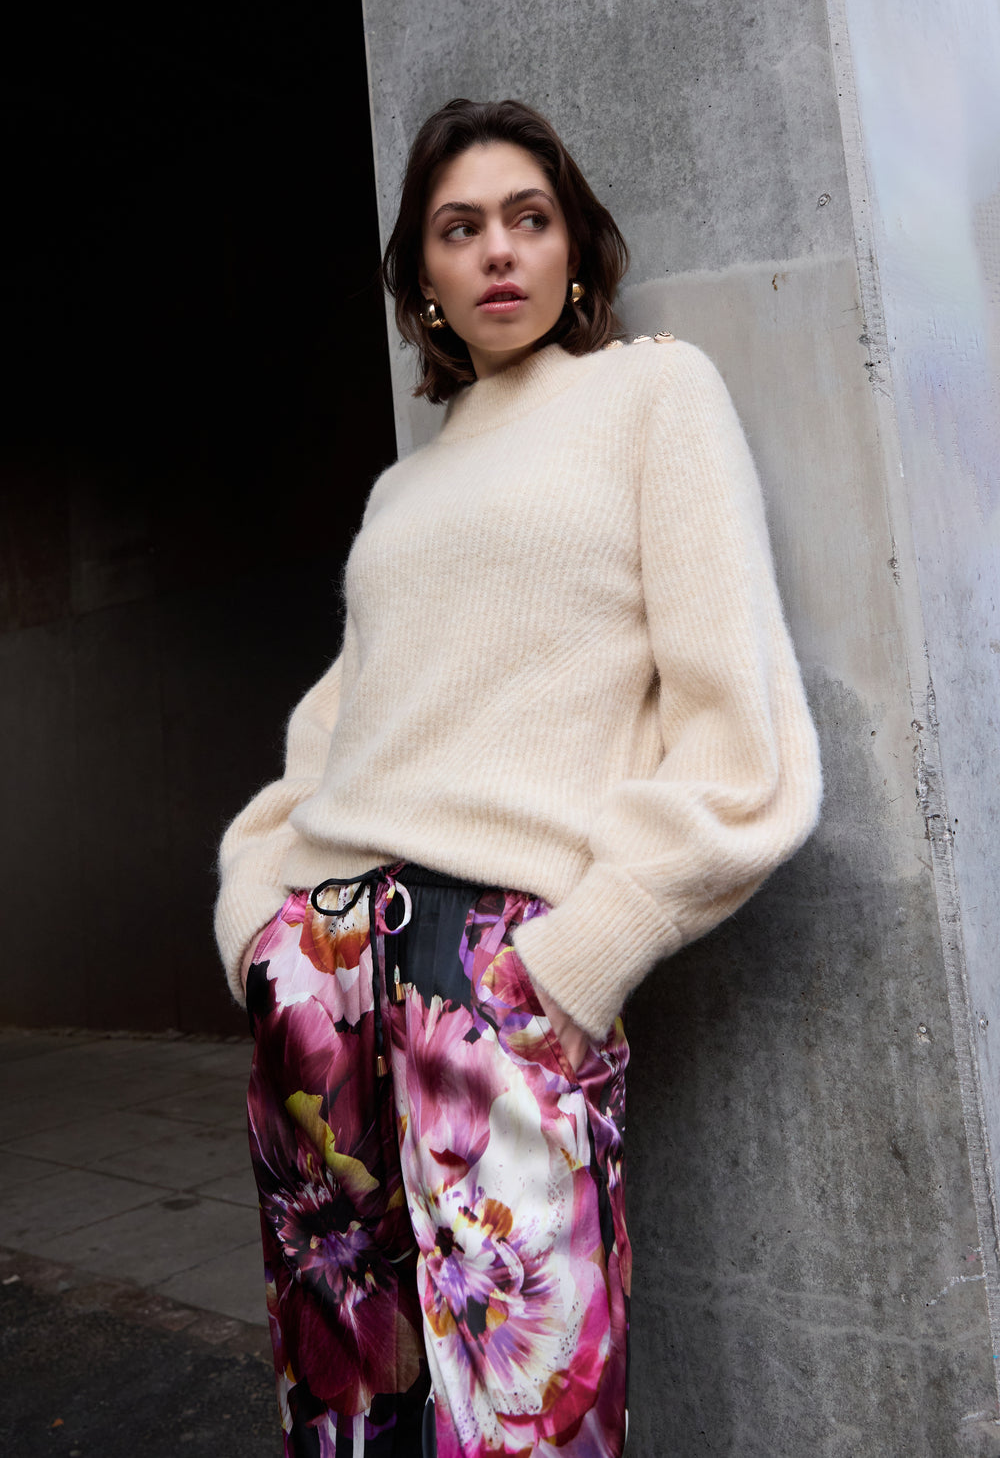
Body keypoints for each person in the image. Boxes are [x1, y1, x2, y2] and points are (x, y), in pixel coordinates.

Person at [215, 97, 822, 1458]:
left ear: (573, 247)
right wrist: (261, 921)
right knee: (347, 1416)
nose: (498, 250)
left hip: (495, 969)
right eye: (460, 228)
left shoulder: (653, 394)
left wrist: (578, 953)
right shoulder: (403, 491)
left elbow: (742, 735)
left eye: (528, 219)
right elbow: (335, 734)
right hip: (322, 975)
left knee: (530, 1425)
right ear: (423, 279)